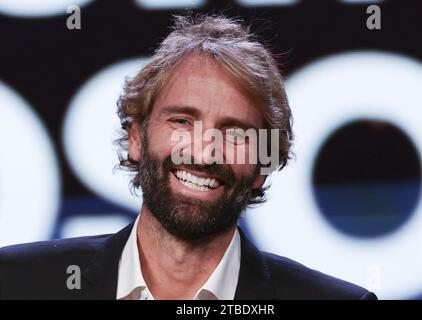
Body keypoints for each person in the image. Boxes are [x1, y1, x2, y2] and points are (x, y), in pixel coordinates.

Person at [0, 14, 377, 300]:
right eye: (182, 120)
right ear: (136, 137)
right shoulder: (16, 283)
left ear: (263, 164)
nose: (203, 152)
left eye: (234, 132)